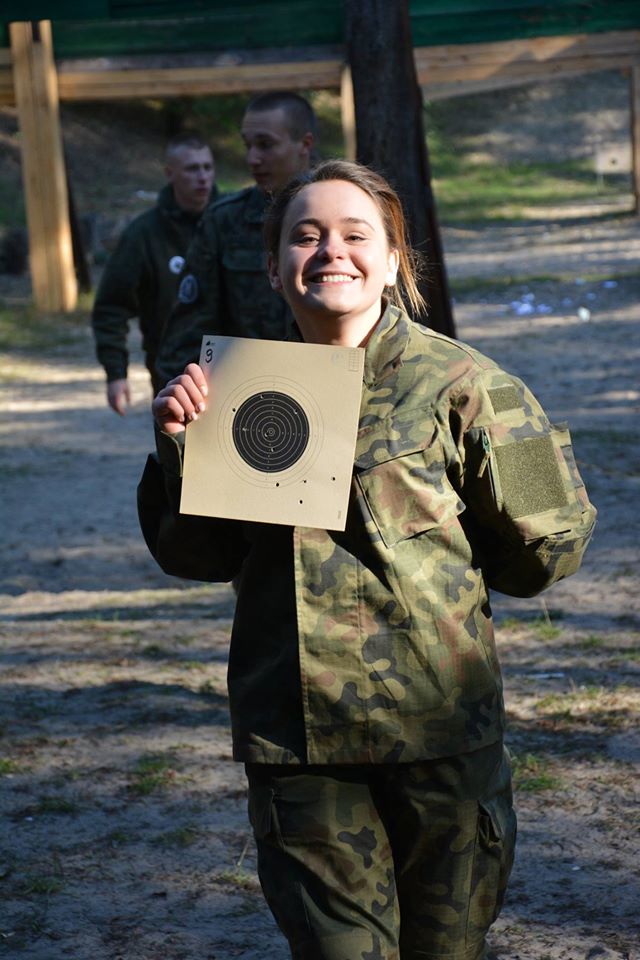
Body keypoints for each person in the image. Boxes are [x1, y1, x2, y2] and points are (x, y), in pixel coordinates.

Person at [138, 160, 597, 960]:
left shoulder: (473, 386)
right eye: (305, 236)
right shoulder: (232, 391)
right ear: (273, 265)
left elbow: (549, 553)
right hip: (302, 743)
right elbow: (198, 556)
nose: (330, 252)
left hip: (440, 737)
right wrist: (179, 447)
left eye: (356, 235)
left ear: (392, 263)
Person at [154, 91, 316, 386]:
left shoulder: (347, 216)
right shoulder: (225, 221)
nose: (252, 158)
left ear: (304, 144)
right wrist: (179, 400)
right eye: (248, 145)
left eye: (265, 145)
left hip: (328, 386)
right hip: (248, 393)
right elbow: (189, 330)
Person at [91, 132, 217, 414]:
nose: (202, 177)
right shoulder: (144, 234)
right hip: (172, 371)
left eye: (207, 167)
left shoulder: (234, 223)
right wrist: (116, 373)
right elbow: (112, 305)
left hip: (231, 363)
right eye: (192, 169)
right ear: (170, 173)